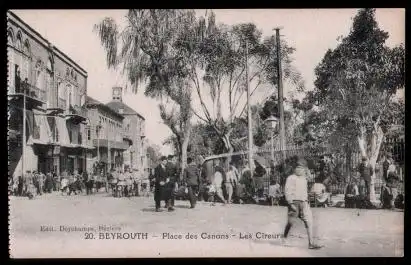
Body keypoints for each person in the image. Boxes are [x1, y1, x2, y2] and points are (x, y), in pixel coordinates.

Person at [283, 158, 323, 250]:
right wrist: (290, 203)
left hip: (304, 203)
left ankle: (311, 243)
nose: (299, 169)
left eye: (301, 168)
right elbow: (287, 191)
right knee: (291, 222)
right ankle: (284, 237)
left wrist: (307, 170)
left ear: (304, 169)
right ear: (294, 169)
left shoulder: (304, 178)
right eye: (297, 167)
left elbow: (310, 177)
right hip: (294, 203)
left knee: (309, 221)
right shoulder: (291, 178)